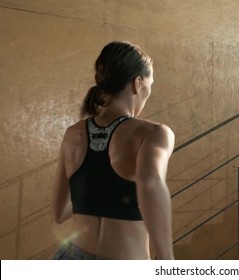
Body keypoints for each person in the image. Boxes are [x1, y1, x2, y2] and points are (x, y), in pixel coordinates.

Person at [51, 41, 175, 260]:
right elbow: (151, 183)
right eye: (150, 84)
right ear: (137, 83)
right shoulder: (152, 133)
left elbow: (59, 212)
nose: (149, 91)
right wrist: (168, 261)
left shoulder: (73, 134)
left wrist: (98, 190)